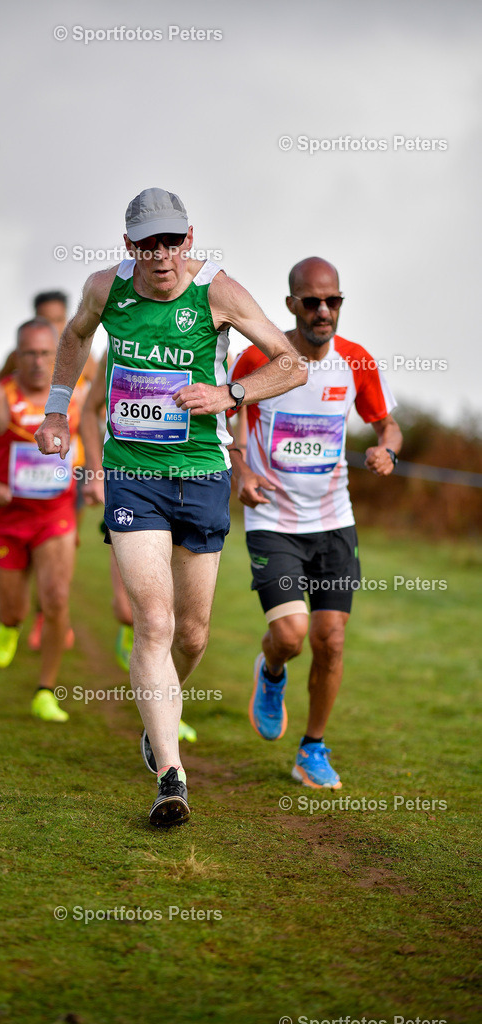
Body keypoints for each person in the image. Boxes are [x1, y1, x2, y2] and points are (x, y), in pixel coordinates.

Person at [35, 187, 306, 826]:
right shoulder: (107, 288)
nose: (161, 255)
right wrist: (55, 409)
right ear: (130, 245)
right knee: (153, 623)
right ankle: (170, 775)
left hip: (203, 475)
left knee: (192, 633)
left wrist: (231, 392)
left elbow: (291, 365)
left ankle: (160, 711)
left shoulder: (218, 292)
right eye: (147, 243)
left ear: (189, 239)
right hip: (133, 476)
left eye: (171, 241)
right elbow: (74, 338)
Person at [228, 256, 402, 790]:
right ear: (290, 305)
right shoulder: (257, 358)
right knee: (291, 634)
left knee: (331, 640)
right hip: (273, 520)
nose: (323, 311)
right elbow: (227, 422)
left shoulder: (356, 362)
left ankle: (312, 749)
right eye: (311, 301)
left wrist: (386, 451)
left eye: (333, 301)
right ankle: (272, 671)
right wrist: (241, 473)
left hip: (333, 521)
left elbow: (387, 424)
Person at [0, 318, 80, 721]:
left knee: (56, 599)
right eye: (29, 352)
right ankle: (9, 623)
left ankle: (45, 690)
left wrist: (95, 476)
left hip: (55, 514)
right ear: (17, 354)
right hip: (8, 517)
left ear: (56, 354)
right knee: (13, 608)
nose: (37, 361)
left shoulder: (70, 397)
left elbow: (87, 438)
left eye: (46, 352)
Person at [79, 355, 198, 745]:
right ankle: (139, 646)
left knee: (186, 631)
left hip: (190, 490)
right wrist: (97, 474)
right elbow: (88, 412)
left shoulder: (211, 347)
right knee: (137, 616)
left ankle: (163, 711)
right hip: (129, 485)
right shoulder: (118, 349)